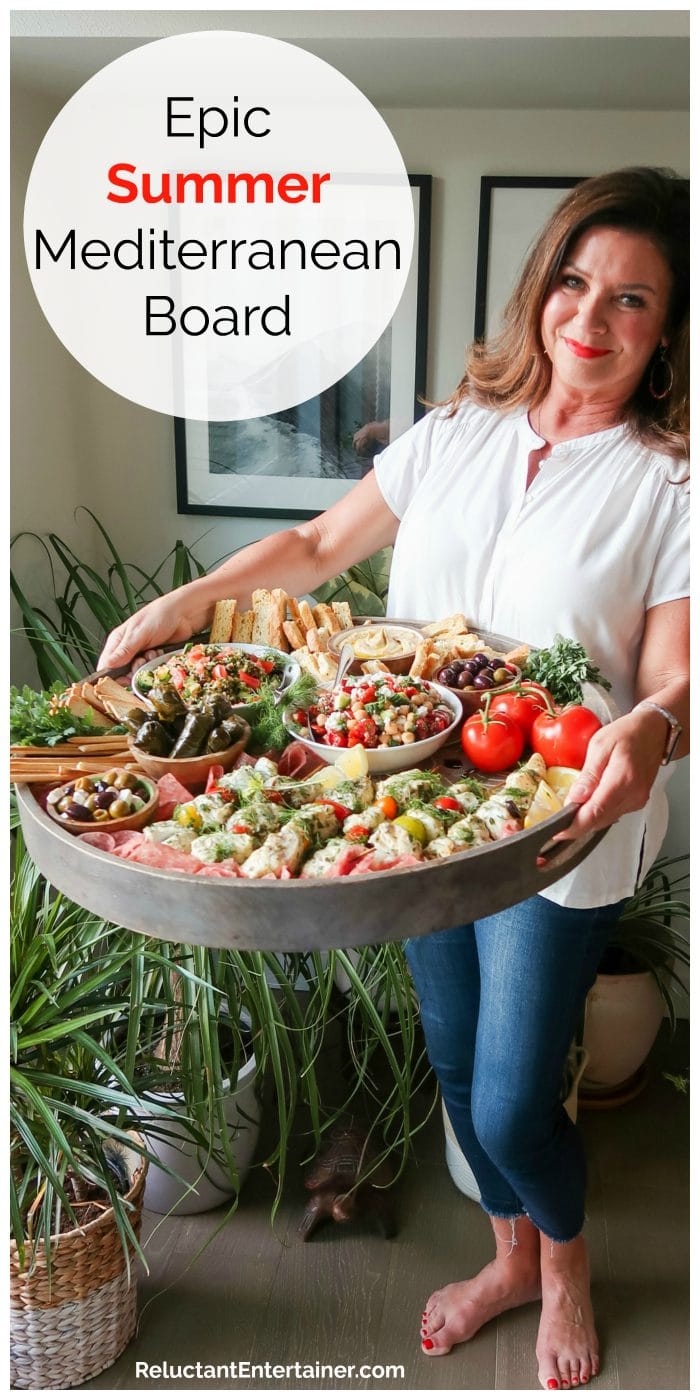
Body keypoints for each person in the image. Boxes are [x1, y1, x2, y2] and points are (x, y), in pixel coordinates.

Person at [99, 167, 689, 1390]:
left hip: (563, 821)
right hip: (419, 809)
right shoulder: (460, 429)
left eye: (631, 300)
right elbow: (317, 546)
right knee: (459, 1065)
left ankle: (564, 1268)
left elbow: (673, 676)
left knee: (524, 1101)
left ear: (669, 326)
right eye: (573, 282)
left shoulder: (670, 475)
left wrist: (648, 728)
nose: (588, 318)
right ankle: (508, 1255)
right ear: (541, 288)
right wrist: (185, 598)